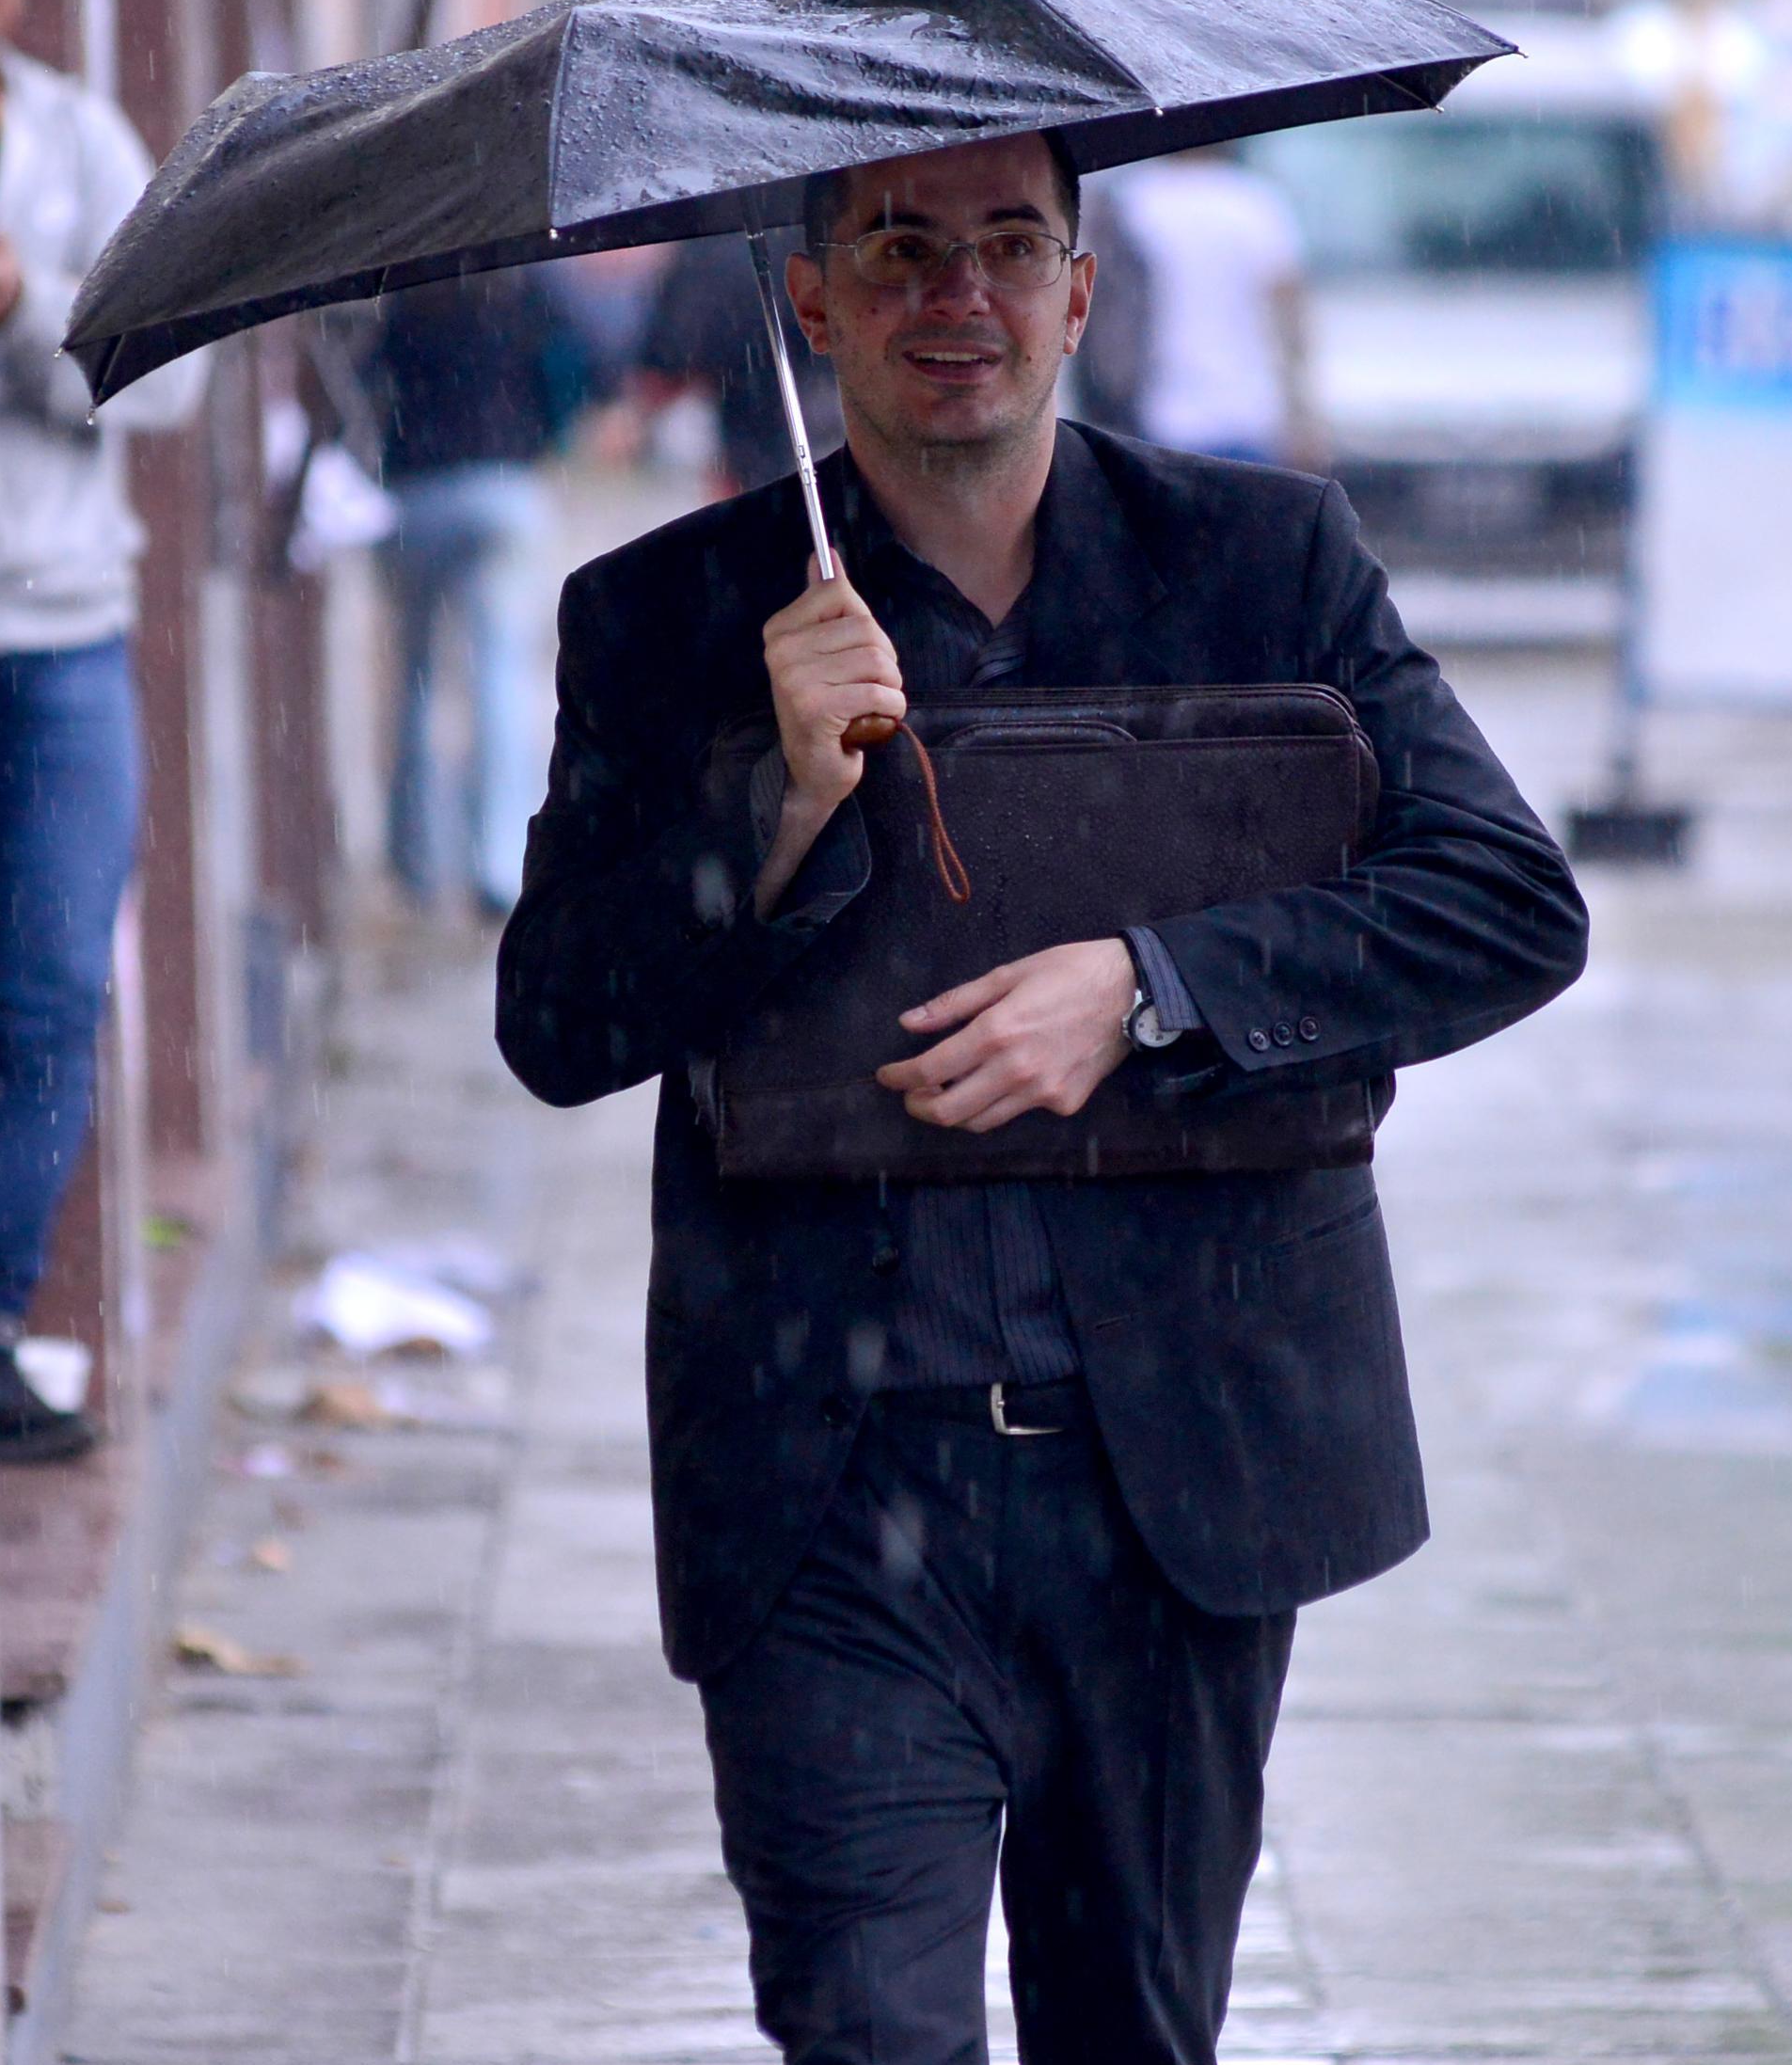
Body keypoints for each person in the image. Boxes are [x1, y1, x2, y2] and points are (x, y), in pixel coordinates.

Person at [497, 133, 1586, 2061]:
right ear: (809, 299)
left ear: (1081, 292)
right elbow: (560, 1017)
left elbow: (1504, 902)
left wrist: (1152, 987)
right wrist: (779, 798)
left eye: (1010, 246)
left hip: (1169, 1482)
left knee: (1131, 2032)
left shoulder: (1264, 568)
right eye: (900, 250)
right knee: (865, 2030)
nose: (958, 297)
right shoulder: (671, 619)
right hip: (828, 1488)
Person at [0, 0, 202, 1463]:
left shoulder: (72, 141)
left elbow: (163, 386)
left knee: (46, 988)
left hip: (60, 632)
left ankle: (3, 1319)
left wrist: (25, 308)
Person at [369, 265, 596, 922]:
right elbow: (580, 370)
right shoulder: (525, 283)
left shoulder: (407, 285)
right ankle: (499, 862)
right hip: (505, 486)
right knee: (498, 674)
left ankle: (415, 859)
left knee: (415, 677)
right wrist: (548, 429)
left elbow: (368, 384)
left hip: (417, 493)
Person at [1092, 142, 1321, 467]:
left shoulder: (1131, 200)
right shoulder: (1254, 203)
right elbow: (1288, 318)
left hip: (1152, 417)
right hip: (1246, 415)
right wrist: (1302, 413)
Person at [631, 230, 844, 499]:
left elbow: (667, 365)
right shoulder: (815, 226)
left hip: (756, 451)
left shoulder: (705, 254)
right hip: (823, 424)